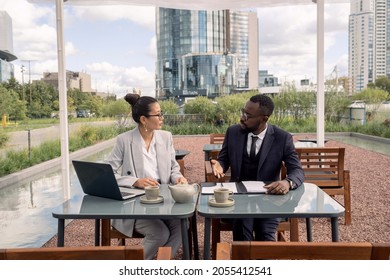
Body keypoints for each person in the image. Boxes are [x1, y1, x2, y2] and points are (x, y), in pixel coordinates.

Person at [210, 94, 304, 241]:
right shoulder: (233, 132)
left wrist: (287, 182)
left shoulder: (282, 137)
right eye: (243, 112)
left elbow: (297, 170)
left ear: (264, 118)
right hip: (239, 199)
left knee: (266, 234)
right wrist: (220, 166)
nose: (242, 118)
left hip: (270, 199)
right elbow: (223, 160)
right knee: (242, 232)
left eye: (248, 115)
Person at [107, 93, 187, 260]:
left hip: (164, 201)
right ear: (144, 119)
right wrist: (135, 181)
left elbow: (173, 167)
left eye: (161, 113)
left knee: (182, 225)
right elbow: (107, 173)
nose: (161, 117)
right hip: (135, 205)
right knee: (159, 233)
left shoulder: (166, 137)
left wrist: (177, 177)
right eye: (158, 114)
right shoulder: (124, 140)